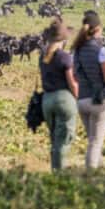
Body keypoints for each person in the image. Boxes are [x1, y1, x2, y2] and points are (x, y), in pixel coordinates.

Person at [73, 11, 105, 169]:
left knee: (93, 140)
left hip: (81, 100)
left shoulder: (77, 50)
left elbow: (74, 75)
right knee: (95, 142)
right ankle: (90, 176)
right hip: (99, 100)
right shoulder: (102, 50)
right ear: (98, 28)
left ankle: (99, 171)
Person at [39, 18, 79, 171]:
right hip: (63, 99)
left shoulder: (43, 56)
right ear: (63, 39)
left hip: (47, 100)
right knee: (63, 140)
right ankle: (60, 175)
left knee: (54, 139)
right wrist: (78, 96)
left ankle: (54, 170)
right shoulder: (64, 56)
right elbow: (71, 82)